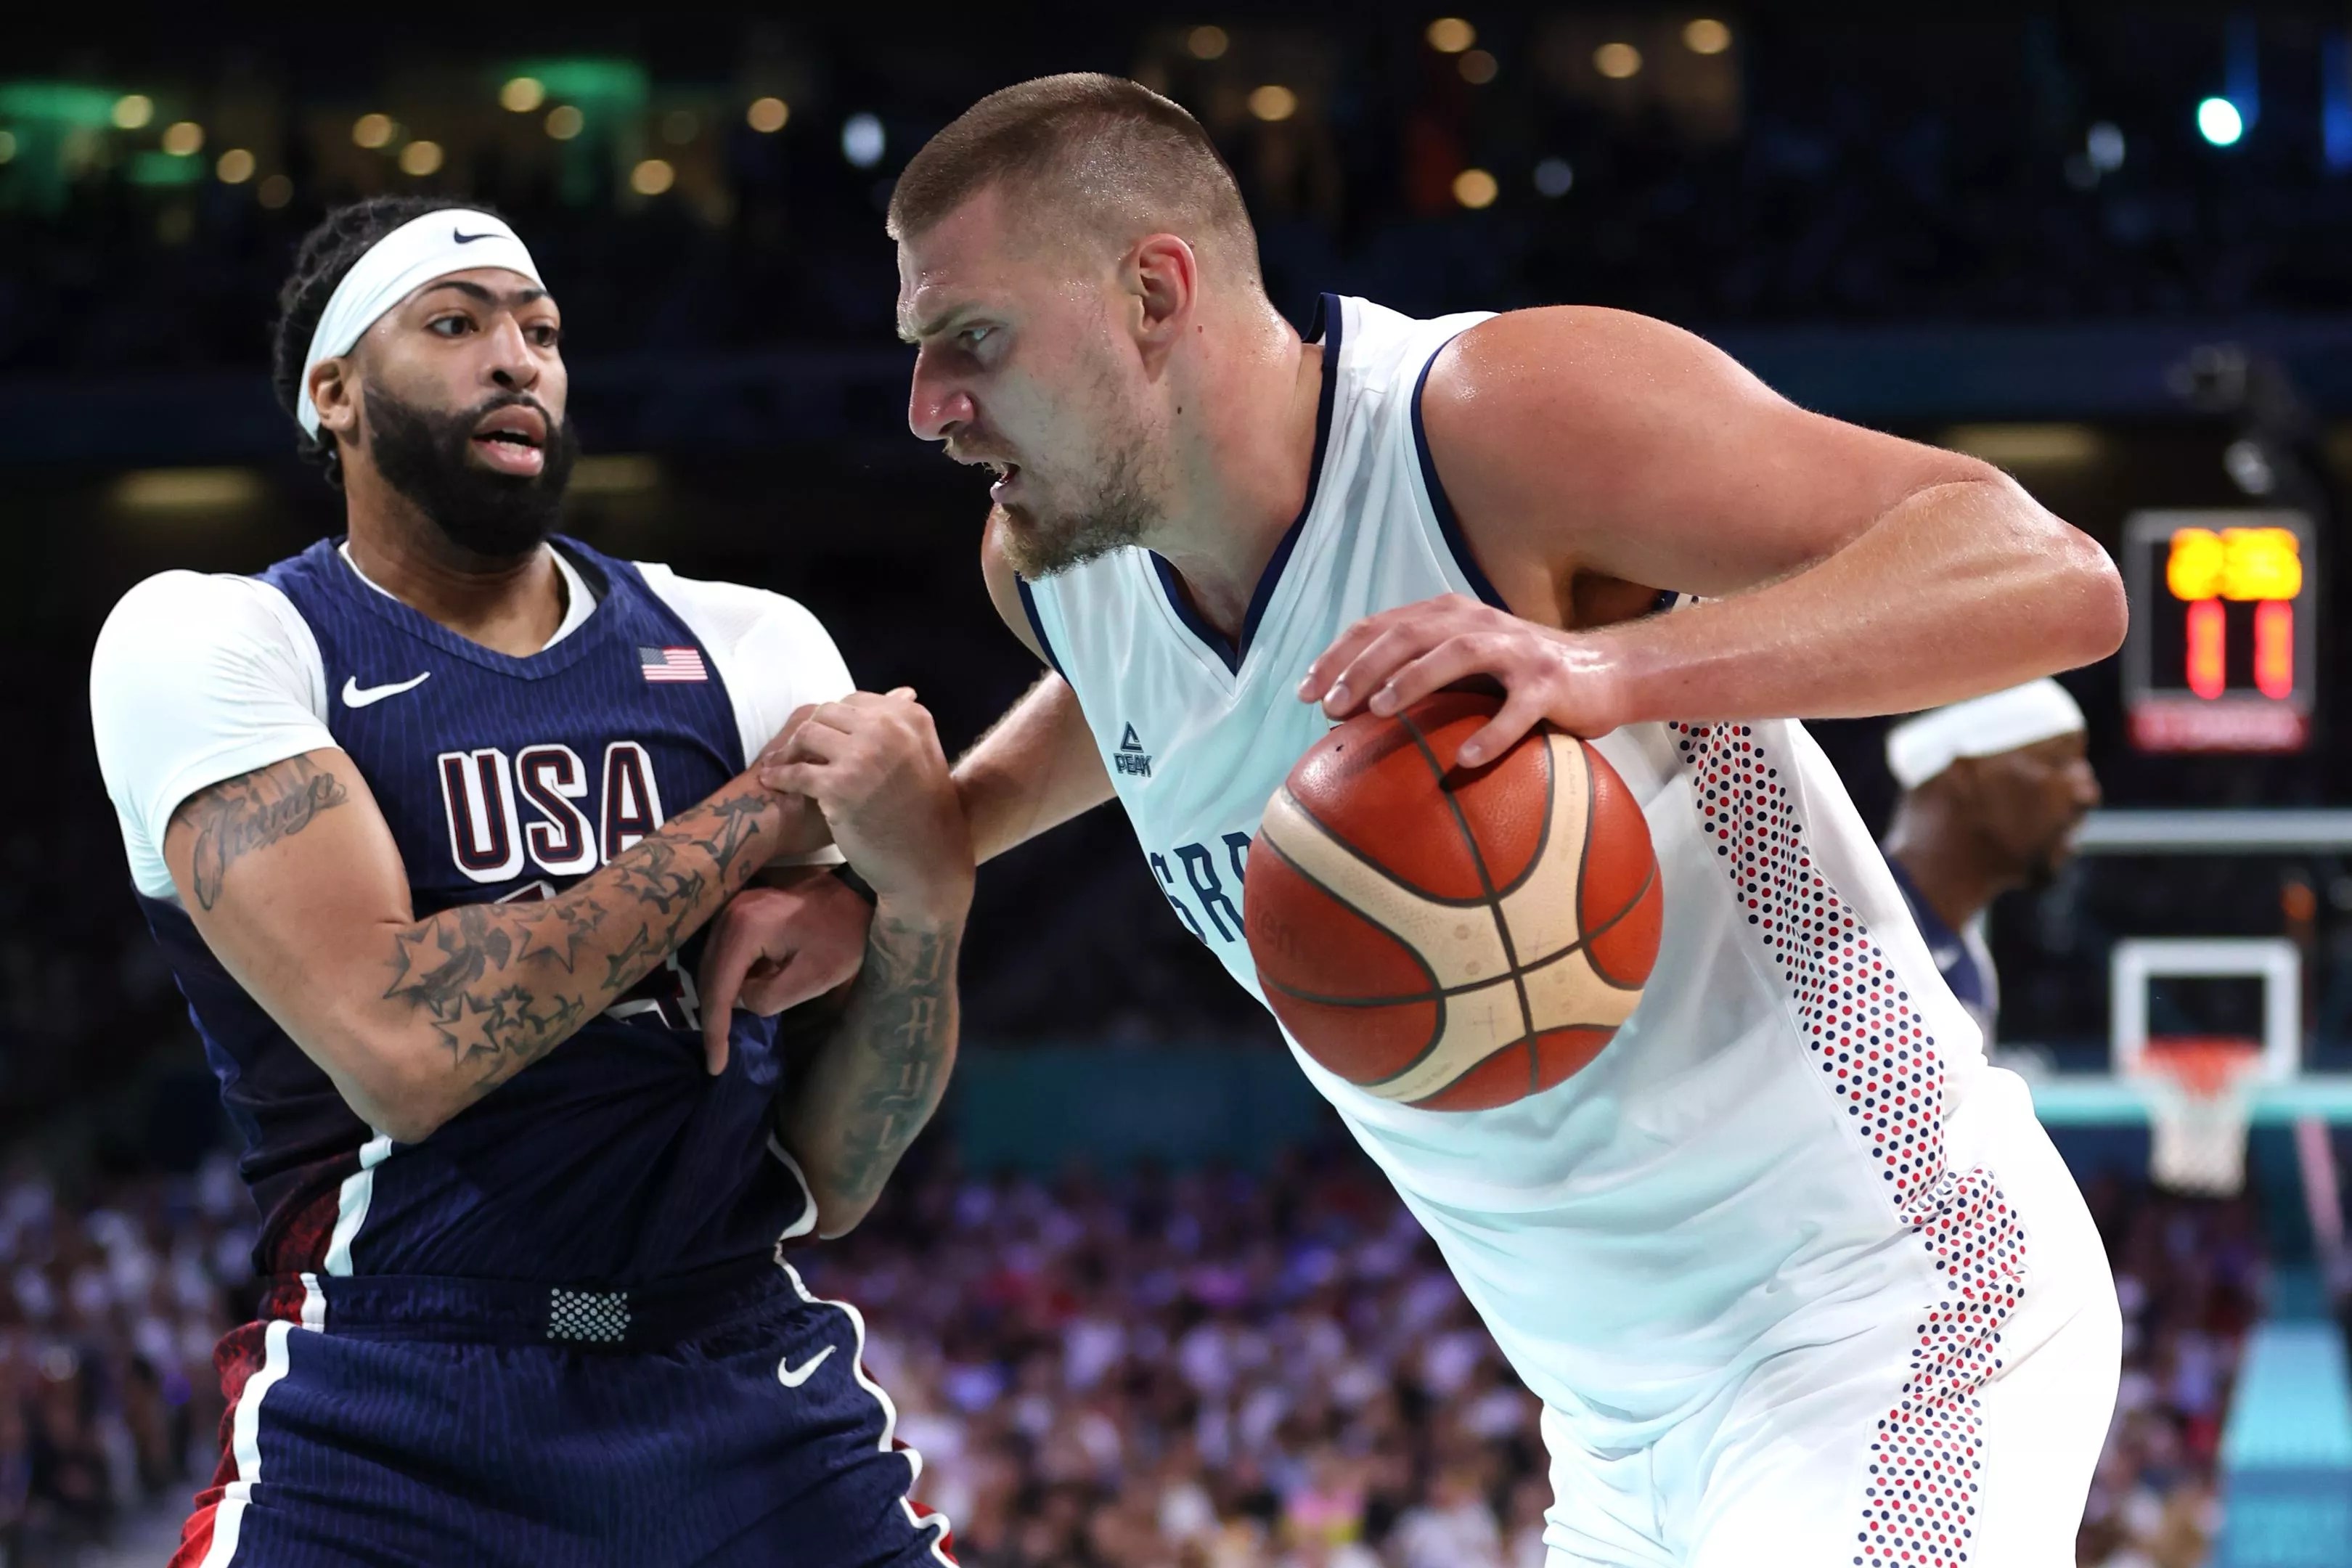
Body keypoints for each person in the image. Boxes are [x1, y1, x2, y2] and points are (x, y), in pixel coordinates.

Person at [758, 72, 2129, 1568]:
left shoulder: (1492, 426)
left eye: (974, 340)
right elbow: (1149, 699)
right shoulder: (1055, 565)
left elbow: (2048, 575)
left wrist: (1609, 665)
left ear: (1155, 294)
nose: (928, 407)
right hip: (1609, 1429)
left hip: (1880, 1312)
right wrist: (937, 834)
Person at [87, 197, 970, 1567]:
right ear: (334, 395)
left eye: (542, 330)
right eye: (456, 324)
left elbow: (836, 1178)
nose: (519, 359)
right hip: (387, 1403)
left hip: (738, 1372)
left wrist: (921, 911)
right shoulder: (219, 639)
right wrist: (757, 816)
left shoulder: (749, 644)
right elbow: (406, 1046)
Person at [1881, 679, 2102, 1042]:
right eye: (2059, 761)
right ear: (1967, 777)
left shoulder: (1970, 959)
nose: (2087, 793)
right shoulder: (1847, 934)